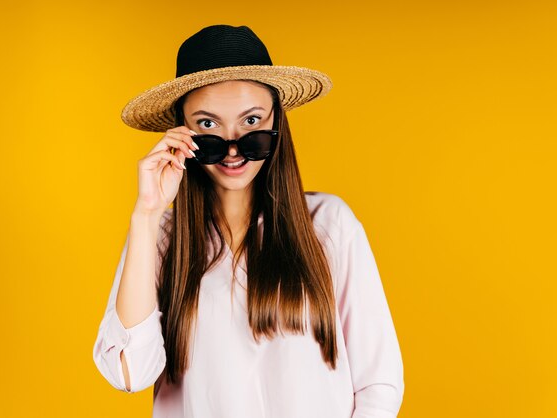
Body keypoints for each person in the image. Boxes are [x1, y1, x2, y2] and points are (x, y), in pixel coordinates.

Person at [93, 24, 404, 418]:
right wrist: (147, 213)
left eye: (252, 121)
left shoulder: (330, 225)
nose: (234, 147)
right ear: (181, 130)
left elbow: (378, 381)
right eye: (208, 125)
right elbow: (129, 373)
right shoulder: (160, 240)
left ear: (276, 121)